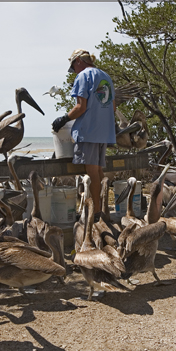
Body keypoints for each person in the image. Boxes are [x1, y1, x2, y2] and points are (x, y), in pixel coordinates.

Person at [52, 49, 116, 222]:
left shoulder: (84, 77)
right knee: (99, 172)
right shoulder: (106, 77)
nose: (74, 71)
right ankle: (103, 210)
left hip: (88, 132)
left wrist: (64, 119)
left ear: (78, 61)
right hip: (104, 133)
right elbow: (113, 107)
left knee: (92, 173)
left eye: (73, 67)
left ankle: (95, 215)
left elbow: (80, 107)